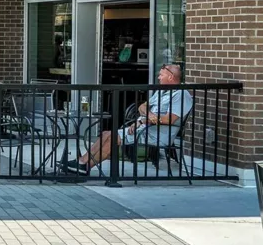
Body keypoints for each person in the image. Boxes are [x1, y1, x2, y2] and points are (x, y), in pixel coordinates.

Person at [62, 64, 192, 175]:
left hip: (156, 134)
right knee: (106, 134)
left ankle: (85, 166)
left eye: (161, 75)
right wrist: (148, 115)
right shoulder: (161, 91)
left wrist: (142, 121)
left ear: (170, 77)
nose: (158, 78)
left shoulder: (180, 94)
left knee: (112, 138)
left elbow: (170, 120)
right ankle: (82, 162)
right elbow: (142, 106)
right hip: (145, 128)